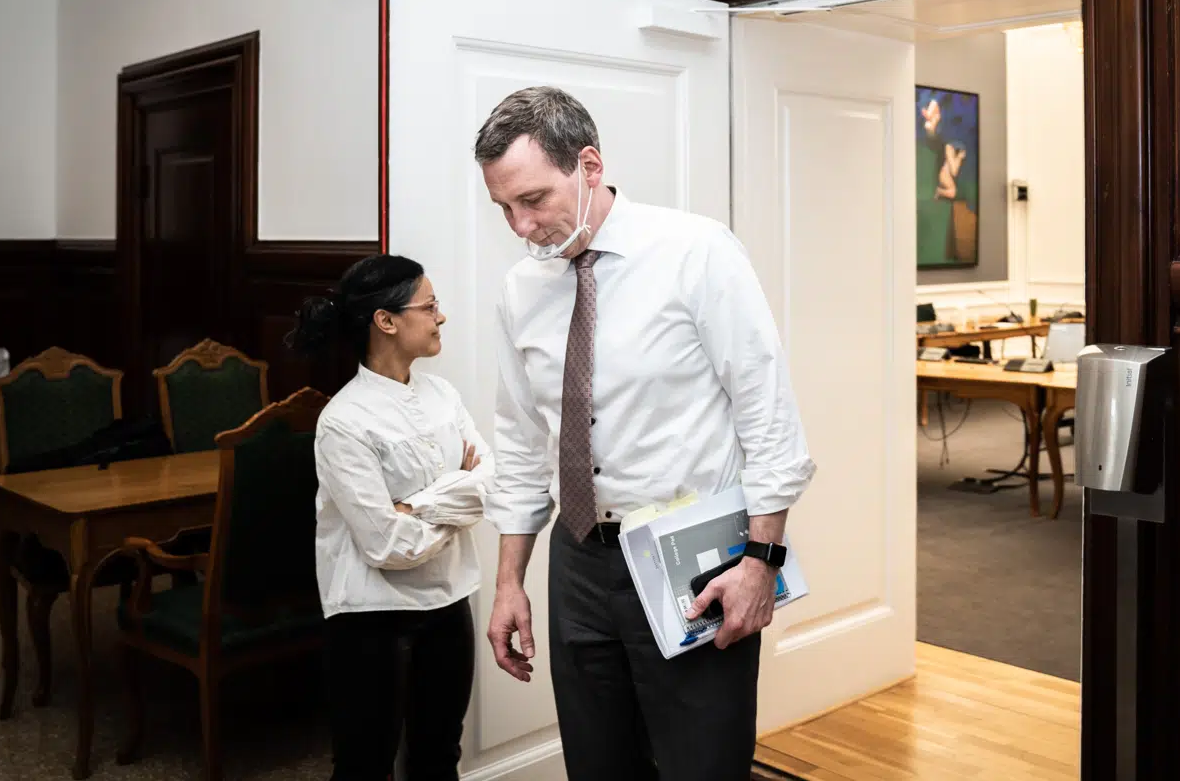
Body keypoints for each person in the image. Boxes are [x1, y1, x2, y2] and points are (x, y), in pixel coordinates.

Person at [474, 86, 815, 781]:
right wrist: (509, 579)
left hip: (691, 556)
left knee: (701, 764)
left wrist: (762, 559)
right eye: (503, 207)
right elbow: (519, 443)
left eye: (533, 200)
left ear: (588, 165)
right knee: (600, 765)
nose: (520, 225)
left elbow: (768, 415)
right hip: (576, 562)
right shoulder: (520, 290)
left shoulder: (696, 253)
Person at [287, 254, 489, 781]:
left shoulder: (443, 395)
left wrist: (417, 505)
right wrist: (454, 494)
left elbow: (491, 484)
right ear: (387, 320)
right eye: (430, 306)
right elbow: (388, 547)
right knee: (365, 766)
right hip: (372, 619)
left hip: (448, 604)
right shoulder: (344, 421)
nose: (440, 317)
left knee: (438, 756)